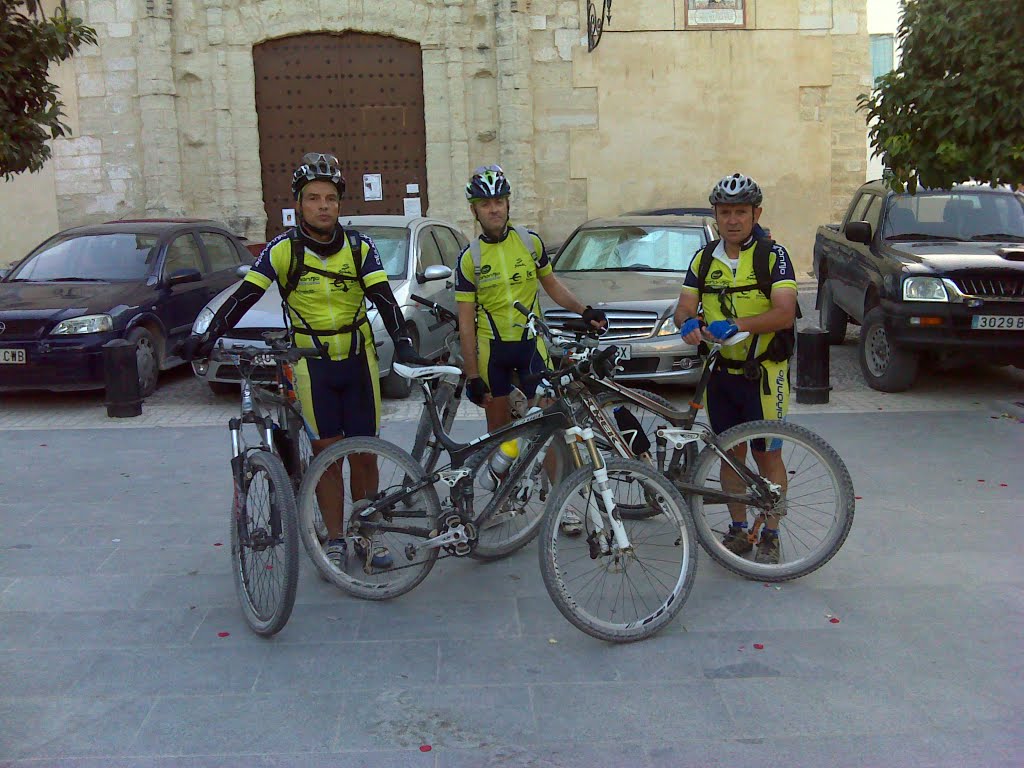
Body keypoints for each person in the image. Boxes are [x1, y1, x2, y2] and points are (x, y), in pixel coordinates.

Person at [184, 152, 420, 571]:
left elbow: (384, 298)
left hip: (357, 359)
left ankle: (368, 531)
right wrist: (207, 335)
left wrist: (401, 341)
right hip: (313, 364)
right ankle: (334, 538)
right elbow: (244, 296)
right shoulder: (281, 250)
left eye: (330, 197)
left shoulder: (360, 247)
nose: (323, 205)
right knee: (327, 453)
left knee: (364, 452)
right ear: (300, 203)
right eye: (313, 198)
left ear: (340, 203)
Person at [454, 164, 607, 535]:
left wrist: (584, 310)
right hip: (492, 350)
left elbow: (552, 285)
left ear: (508, 204)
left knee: (550, 424)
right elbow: (465, 323)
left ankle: (561, 503)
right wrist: (472, 375)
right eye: (486, 203)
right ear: (474, 209)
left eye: (500, 201)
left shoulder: (529, 243)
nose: (495, 209)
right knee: (499, 430)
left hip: (529, 345)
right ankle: (500, 499)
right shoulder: (469, 259)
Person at [674, 173, 798, 564]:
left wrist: (740, 325)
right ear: (716, 215)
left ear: (755, 213)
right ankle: (740, 530)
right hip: (720, 372)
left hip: (763, 374)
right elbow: (683, 306)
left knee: (767, 455)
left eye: (740, 212)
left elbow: (784, 312)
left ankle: (772, 534)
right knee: (730, 453)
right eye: (725, 212)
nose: (732, 220)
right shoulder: (704, 258)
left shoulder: (773, 256)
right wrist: (688, 323)